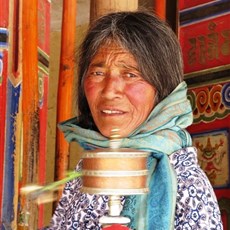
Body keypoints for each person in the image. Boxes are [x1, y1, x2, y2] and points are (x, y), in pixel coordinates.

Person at [48, 10, 223, 229]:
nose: (110, 91)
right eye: (98, 73)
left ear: (162, 90)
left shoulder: (186, 184)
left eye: (131, 74)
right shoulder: (89, 170)